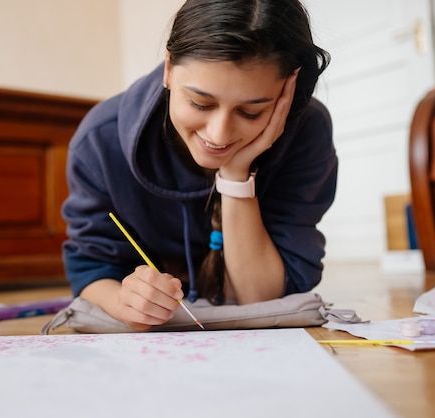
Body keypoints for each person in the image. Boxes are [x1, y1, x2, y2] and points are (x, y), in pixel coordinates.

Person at [62, 0, 335, 331]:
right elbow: (91, 270)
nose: (218, 134)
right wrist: (124, 300)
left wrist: (236, 176)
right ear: (168, 69)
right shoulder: (99, 142)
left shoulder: (306, 130)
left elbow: (262, 296)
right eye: (200, 103)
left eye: (251, 112)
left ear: (286, 92)